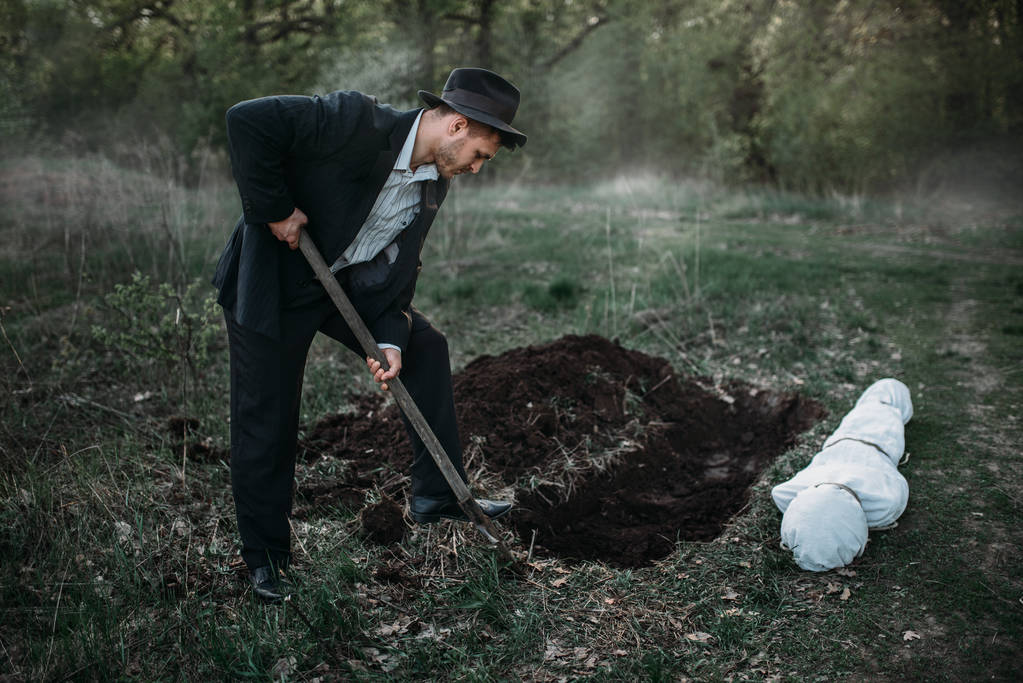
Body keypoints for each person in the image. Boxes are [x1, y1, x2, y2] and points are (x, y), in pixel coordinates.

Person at [212, 68, 526, 602]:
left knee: (426, 346)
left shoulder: (432, 187)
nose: (475, 168)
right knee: (268, 416)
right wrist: (274, 209)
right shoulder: (356, 121)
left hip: (339, 286)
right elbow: (247, 121)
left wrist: (389, 340)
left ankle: (438, 495)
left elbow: (397, 272)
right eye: (479, 154)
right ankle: (266, 562)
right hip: (274, 285)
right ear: (456, 125)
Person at [771, 378, 913, 571]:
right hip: (874, 443)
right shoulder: (883, 505)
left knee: (875, 412)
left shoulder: (884, 504)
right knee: (885, 412)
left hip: (844, 444)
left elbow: (781, 494)